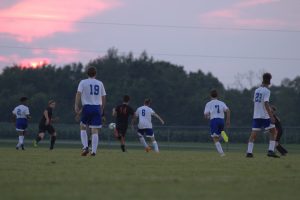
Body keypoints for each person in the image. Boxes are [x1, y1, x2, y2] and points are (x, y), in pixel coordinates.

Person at [246, 73, 280, 158]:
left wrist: (269, 106)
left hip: (256, 115)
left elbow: (258, 102)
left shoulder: (257, 90)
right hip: (265, 116)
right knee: (273, 131)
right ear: (269, 81)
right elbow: (265, 103)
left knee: (253, 134)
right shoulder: (267, 91)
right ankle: (270, 151)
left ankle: (249, 152)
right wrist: (271, 116)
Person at [75, 66, 106, 156]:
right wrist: (102, 109)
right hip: (97, 107)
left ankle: (85, 147)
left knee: (83, 126)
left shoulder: (83, 82)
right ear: (95, 74)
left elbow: (78, 93)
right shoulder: (100, 83)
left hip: (87, 107)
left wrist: (76, 105)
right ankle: (94, 152)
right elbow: (103, 97)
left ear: (87, 73)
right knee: (95, 129)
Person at [204, 89, 230, 157]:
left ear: (210, 95)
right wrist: (228, 120)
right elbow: (228, 110)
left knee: (215, 138)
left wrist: (208, 117)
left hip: (214, 120)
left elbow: (206, 114)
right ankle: (225, 138)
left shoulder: (209, 104)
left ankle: (222, 154)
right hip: (221, 120)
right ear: (217, 95)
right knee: (220, 132)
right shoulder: (221, 103)